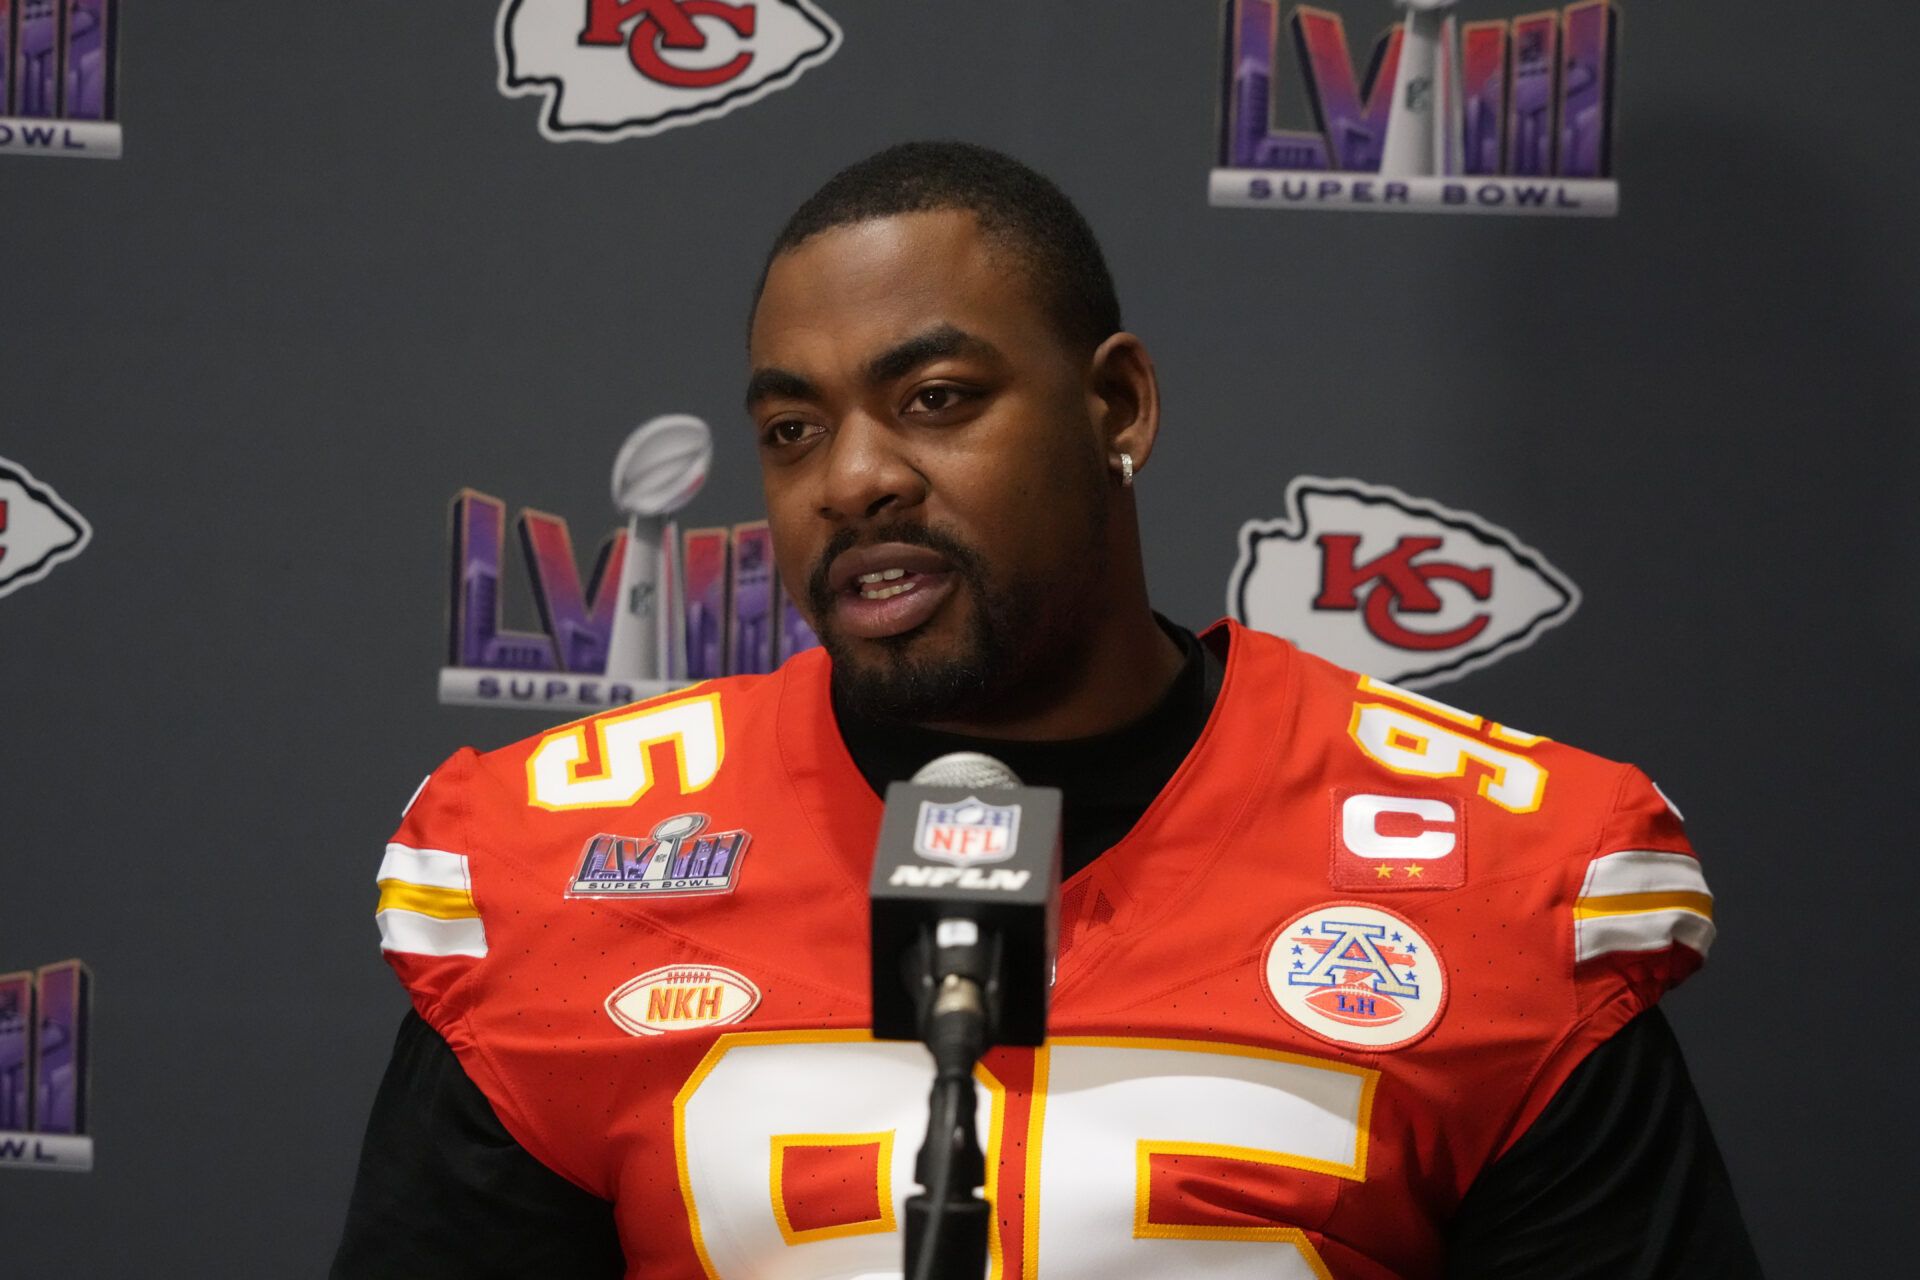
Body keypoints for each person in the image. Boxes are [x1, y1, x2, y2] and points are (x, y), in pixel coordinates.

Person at [333, 141, 1762, 1278]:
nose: (853, 479)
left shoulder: (1501, 869)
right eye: (792, 430)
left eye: (938, 398)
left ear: (1119, 408)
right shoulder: (565, 868)